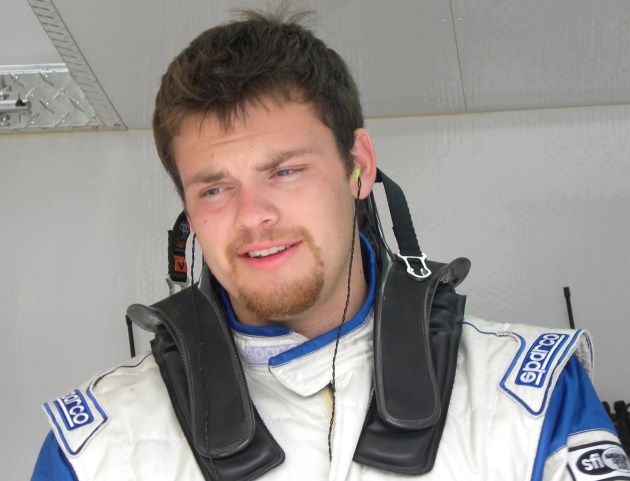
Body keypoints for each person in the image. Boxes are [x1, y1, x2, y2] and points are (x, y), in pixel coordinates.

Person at [31, 7, 629, 481]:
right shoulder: (94, 447)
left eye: (286, 171)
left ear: (358, 166)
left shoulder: (532, 395)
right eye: (214, 189)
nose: (253, 215)